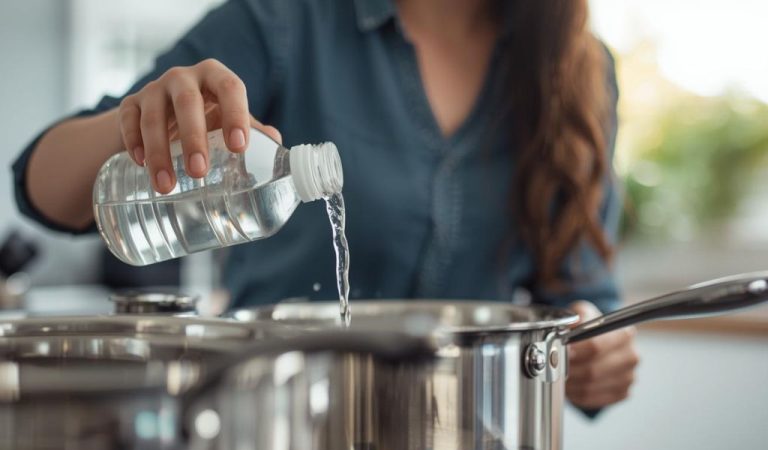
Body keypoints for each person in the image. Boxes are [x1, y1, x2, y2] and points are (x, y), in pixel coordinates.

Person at [12, 0, 638, 411]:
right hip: (273, 444)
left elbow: (583, 295)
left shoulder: (576, 70)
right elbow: (38, 188)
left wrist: (594, 347)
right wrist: (141, 120)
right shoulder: (284, 19)